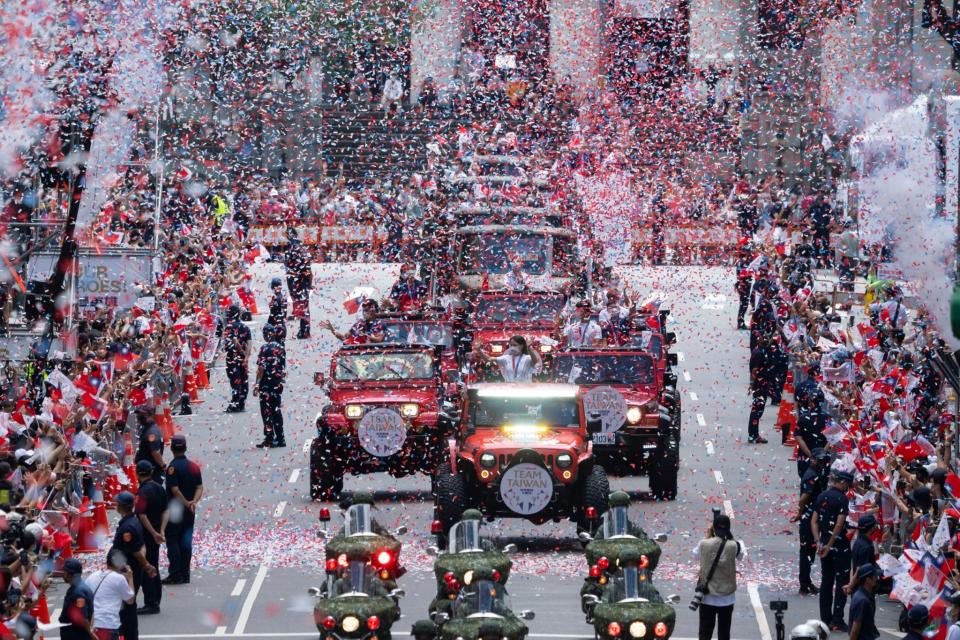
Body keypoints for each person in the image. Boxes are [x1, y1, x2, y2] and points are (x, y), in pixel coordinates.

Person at [811, 470, 853, 632]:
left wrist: (819, 542)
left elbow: (814, 521)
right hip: (839, 546)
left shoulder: (822, 496)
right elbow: (839, 524)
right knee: (841, 582)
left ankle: (825, 619)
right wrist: (830, 544)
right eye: (847, 485)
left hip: (823, 547)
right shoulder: (842, 499)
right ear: (843, 483)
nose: (847, 488)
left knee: (826, 581)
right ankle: (837, 619)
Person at [113, 491, 157, 640]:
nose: (115, 504)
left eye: (117, 502)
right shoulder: (134, 521)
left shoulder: (127, 527)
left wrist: (145, 565)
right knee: (127, 605)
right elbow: (141, 546)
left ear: (121, 506)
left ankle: (127, 634)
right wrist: (144, 563)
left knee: (126, 607)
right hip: (132, 569)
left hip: (127, 571)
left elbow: (135, 550)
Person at [693, 514, 744, 640]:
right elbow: (741, 556)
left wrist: (708, 536)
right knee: (724, 633)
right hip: (727, 597)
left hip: (707, 596)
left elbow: (695, 555)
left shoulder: (703, 543)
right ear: (728, 528)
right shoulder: (735, 545)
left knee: (705, 633)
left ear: (713, 528)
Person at [164, 435, 203, 585]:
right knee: (186, 542)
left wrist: (186, 503)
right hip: (190, 511)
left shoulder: (172, 468)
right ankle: (185, 573)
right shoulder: (194, 466)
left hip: (175, 510)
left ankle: (175, 573)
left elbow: (174, 490)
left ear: (172, 448)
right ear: (185, 448)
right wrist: (194, 501)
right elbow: (199, 487)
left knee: (173, 540)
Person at [794, 447, 830, 595]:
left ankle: (807, 581)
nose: (822, 462)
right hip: (809, 517)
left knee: (810, 549)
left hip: (812, 516)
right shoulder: (811, 475)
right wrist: (800, 512)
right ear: (813, 459)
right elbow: (804, 497)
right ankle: (804, 583)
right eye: (819, 460)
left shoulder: (815, 473)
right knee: (806, 550)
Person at [134, 461, 168, 615]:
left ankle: (151, 602)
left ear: (138, 473)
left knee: (147, 567)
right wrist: (161, 531)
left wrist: (154, 533)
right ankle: (156, 600)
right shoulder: (159, 488)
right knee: (154, 564)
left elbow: (141, 515)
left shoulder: (142, 492)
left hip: (147, 535)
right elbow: (165, 511)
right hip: (156, 534)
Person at [84, 548, 136, 640]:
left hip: (91, 624)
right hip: (108, 625)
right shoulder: (119, 579)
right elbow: (130, 600)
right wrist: (130, 577)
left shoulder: (92, 576)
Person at [254, 323, 286, 448]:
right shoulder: (281, 347)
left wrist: (257, 384)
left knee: (267, 412)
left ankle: (269, 438)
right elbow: (283, 368)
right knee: (276, 411)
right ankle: (280, 437)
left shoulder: (264, 348)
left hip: (266, 385)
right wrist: (281, 382)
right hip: (277, 384)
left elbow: (261, 368)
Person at [472, 335, 542, 383]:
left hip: (525, 390)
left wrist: (529, 348)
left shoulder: (527, 358)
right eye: (511, 345)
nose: (512, 347)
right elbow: (488, 359)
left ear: (521, 346)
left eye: (515, 345)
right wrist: (479, 350)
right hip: (509, 390)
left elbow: (534, 361)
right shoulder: (505, 358)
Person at [223, 304, 251, 413]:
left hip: (232, 358)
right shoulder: (245, 327)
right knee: (244, 380)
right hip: (243, 359)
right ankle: (242, 403)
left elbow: (233, 343)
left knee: (235, 381)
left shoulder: (229, 328)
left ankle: (235, 403)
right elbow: (249, 343)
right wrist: (246, 357)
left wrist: (241, 351)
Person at [284, 228, 312, 339]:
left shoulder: (290, 250)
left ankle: (304, 331)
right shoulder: (303, 249)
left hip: (295, 281)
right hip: (302, 281)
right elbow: (309, 270)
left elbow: (288, 269)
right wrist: (309, 284)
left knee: (301, 305)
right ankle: (304, 331)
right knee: (304, 305)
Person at [59, 558, 95, 640]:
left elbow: (82, 617)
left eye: (64, 572)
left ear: (69, 574)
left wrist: (91, 633)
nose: (63, 574)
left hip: (76, 635)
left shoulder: (78, 592)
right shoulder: (80, 587)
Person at [321, 299, 385, 344]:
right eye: (364, 310)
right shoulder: (359, 324)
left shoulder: (380, 324)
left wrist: (365, 337)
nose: (366, 313)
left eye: (368, 310)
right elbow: (344, 337)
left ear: (374, 311)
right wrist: (332, 329)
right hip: (355, 356)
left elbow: (379, 340)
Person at [847, 563, 879, 640]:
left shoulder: (859, 594)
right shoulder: (863, 600)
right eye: (874, 576)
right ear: (868, 580)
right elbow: (855, 630)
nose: (877, 578)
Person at [133, 411, 165, 485]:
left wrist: (163, 465)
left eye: (143, 415)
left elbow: (155, 452)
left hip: (151, 469)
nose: (140, 417)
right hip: (148, 467)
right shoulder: (149, 428)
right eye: (139, 414)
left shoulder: (151, 432)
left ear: (151, 415)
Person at [267, 277, 287, 341]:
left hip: (275, 326)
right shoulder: (283, 298)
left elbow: (272, 313)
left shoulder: (275, 299)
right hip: (282, 326)